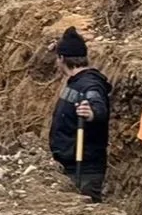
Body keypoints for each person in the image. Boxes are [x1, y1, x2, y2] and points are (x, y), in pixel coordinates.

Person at [47, 27, 110, 202]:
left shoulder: (90, 84)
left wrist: (92, 114)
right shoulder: (75, 83)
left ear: (61, 58)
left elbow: (97, 105)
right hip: (69, 163)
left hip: (84, 167)